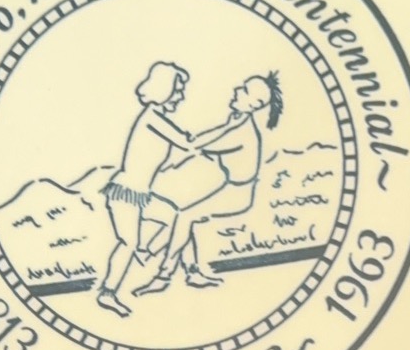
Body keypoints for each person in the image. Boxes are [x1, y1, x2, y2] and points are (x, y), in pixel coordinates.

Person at [135, 73, 283, 295]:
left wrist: (181, 154)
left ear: (255, 104)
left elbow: (199, 145)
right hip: (230, 189)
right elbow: (201, 144)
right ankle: (190, 272)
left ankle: (162, 273)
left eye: (244, 90)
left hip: (238, 195)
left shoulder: (242, 132)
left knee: (185, 217)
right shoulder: (236, 122)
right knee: (184, 217)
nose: (237, 90)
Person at [97, 62, 194, 318]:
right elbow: (185, 143)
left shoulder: (158, 119)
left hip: (141, 195)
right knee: (128, 243)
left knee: (176, 217)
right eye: (178, 90)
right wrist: (225, 132)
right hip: (126, 193)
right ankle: (108, 292)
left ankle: (150, 253)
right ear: (165, 90)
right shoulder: (152, 118)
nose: (181, 97)